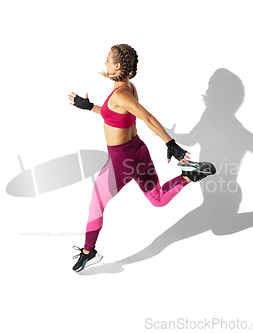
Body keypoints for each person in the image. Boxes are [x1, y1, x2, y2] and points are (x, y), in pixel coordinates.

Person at [68, 44, 215, 272]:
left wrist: (171, 144)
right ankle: (188, 177)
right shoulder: (129, 88)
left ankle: (89, 252)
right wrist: (90, 107)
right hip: (138, 152)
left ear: (116, 66)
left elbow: (148, 117)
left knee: (95, 206)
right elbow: (115, 115)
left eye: (107, 59)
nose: (104, 63)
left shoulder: (120, 94)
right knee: (157, 199)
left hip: (121, 161)